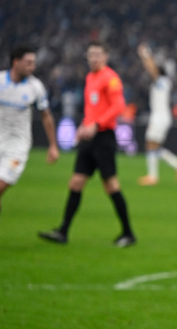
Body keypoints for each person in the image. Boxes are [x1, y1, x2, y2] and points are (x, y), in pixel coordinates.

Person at [39, 41, 136, 247]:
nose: (94, 58)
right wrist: (83, 126)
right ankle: (63, 232)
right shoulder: (90, 77)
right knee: (75, 183)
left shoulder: (110, 78)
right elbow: (93, 109)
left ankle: (128, 233)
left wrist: (97, 125)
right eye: (91, 54)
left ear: (106, 57)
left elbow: (119, 105)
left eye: (98, 54)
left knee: (111, 186)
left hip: (104, 138)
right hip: (89, 138)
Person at [0, 44, 59, 253]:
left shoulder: (35, 87)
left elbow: (46, 116)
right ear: (15, 62)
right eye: (28, 62)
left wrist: (53, 146)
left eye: (34, 63)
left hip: (17, 147)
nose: (32, 67)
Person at [136, 43, 177, 185]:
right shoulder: (165, 82)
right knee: (155, 147)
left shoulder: (161, 81)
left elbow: (152, 69)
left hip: (159, 116)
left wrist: (145, 54)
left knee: (150, 144)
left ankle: (153, 176)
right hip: (163, 116)